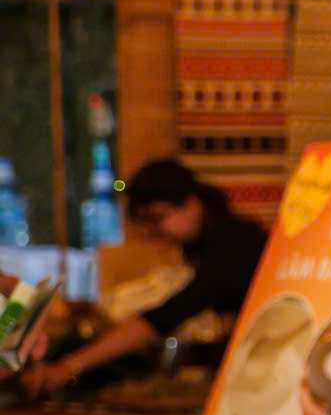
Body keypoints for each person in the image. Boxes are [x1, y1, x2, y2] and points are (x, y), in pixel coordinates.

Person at [18, 159, 269, 398]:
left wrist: (69, 366)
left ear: (193, 204)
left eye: (158, 218)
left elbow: (165, 316)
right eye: (146, 223)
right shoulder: (213, 242)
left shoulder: (235, 245)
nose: (153, 231)